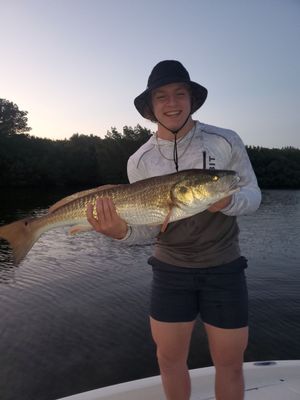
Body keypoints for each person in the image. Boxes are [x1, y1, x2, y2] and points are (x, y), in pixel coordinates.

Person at [87, 60, 261, 400]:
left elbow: (252, 194)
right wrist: (119, 232)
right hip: (170, 271)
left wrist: (226, 202)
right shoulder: (139, 160)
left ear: (191, 99)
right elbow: (148, 229)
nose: (172, 103)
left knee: (230, 362)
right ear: (151, 108)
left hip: (224, 267)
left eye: (180, 94)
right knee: (168, 360)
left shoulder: (225, 140)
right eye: (162, 97)